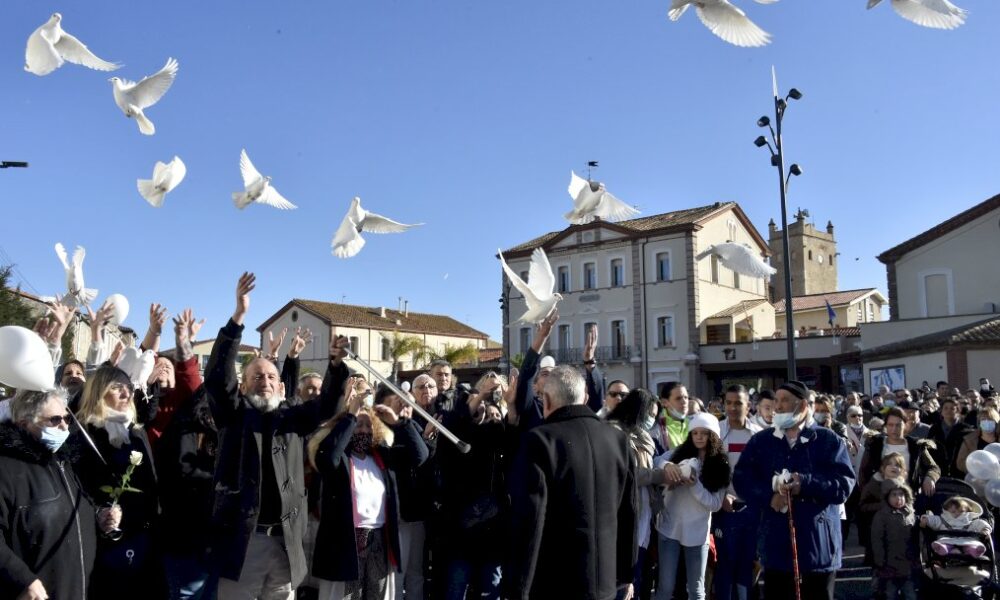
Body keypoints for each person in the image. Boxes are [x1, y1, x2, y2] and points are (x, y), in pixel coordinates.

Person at [205, 273, 350, 598]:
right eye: (257, 376)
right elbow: (216, 378)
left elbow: (327, 406)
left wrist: (337, 365)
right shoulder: (234, 413)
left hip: (286, 543)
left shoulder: (292, 417)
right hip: (244, 544)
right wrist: (238, 317)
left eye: (272, 375)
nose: (266, 380)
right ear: (243, 385)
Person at [504, 366, 636, 600]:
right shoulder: (617, 439)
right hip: (605, 580)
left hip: (554, 583)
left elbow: (530, 519)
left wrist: (518, 588)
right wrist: (626, 575)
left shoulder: (540, 440)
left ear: (545, 400)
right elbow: (629, 512)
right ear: (585, 397)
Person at [733, 381, 855, 600]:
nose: (778, 407)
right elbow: (742, 480)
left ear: (803, 406)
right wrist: (769, 496)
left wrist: (805, 483)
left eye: (785, 401)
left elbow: (843, 485)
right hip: (776, 547)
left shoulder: (828, 441)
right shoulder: (761, 442)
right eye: (776, 401)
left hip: (817, 549)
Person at [308, 382, 429, 599]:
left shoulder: (381, 456)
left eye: (367, 425)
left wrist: (400, 423)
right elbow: (328, 459)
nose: (363, 430)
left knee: (376, 595)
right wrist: (351, 415)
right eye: (358, 425)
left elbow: (419, 455)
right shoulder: (338, 457)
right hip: (345, 541)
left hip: (379, 540)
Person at [0, 389, 121, 600]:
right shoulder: (7, 468)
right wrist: (22, 580)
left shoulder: (66, 461)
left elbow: (71, 517)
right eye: (55, 420)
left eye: (66, 418)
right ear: (23, 424)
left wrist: (99, 519)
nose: (65, 426)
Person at [74, 364, 164, 599]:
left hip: (145, 538)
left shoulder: (136, 431)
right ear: (98, 393)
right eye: (116, 388)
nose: (126, 393)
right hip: (108, 544)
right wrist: (99, 512)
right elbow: (79, 485)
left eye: (128, 387)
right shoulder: (87, 433)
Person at [654, 413, 730, 600]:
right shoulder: (680, 453)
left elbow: (715, 504)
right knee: (665, 587)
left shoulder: (721, 465)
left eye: (704, 433)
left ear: (713, 436)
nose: (698, 437)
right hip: (669, 528)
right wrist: (668, 466)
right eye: (694, 432)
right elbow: (656, 460)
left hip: (698, 533)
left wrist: (695, 485)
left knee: (696, 590)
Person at [607, 389, 662, 599]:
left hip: (645, 513)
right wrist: (659, 475)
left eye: (655, 416)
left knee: (641, 578)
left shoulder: (644, 437)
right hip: (624, 515)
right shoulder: (615, 432)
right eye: (650, 414)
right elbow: (626, 474)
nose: (652, 420)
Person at [714, 384, 762, 600]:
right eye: (729, 403)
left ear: (748, 406)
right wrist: (721, 495)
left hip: (752, 511)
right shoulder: (716, 435)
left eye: (738, 403)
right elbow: (708, 470)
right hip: (725, 512)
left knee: (747, 564)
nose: (733, 408)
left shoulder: (759, 436)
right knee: (725, 565)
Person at [871, 482, 918, 600]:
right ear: (887, 497)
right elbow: (877, 539)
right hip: (888, 564)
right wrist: (879, 561)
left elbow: (916, 539)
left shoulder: (910, 514)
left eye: (901, 494)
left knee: (910, 594)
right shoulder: (882, 515)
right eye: (894, 495)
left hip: (908, 564)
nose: (898, 498)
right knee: (890, 593)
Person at [920, 496, 992, 557]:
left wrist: (985, 529)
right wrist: (926, 519)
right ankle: (943, 549)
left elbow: (981, 523)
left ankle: (974, 550)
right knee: (944, 543)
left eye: (961, 511)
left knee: (972, 544)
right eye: (953, 511)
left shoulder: (971, 522)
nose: (957, 514)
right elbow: (934, 520)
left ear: (968, 511)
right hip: (947, 540)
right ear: (946, 511)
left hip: (967, 541)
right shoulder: (943, 519)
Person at [927, 397, 975, 478]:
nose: (948, 411)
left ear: (958, 411)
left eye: (952, 408)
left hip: (959, 472)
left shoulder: (966, 429)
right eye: (945, 408)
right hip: (938, 471)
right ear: (941, 411)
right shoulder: (934, 429)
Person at [956, 406, 1000, 477]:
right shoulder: (969, 440)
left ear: (996, 422)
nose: (987, 422)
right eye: (983, 419)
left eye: (990, 419)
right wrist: (976, 468)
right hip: (976, 479)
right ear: (979, 423)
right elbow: (960, 463)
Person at [652, 382, 689, 452]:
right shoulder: (656, 427)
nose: (684, 401)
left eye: (686, 397)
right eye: (678, 398)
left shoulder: (693, 424)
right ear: (664, 402)